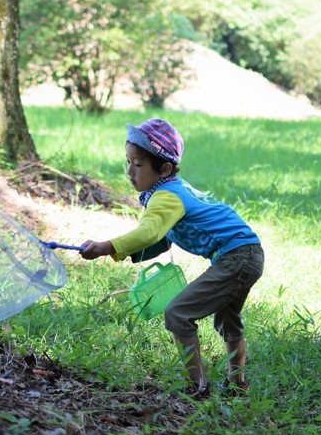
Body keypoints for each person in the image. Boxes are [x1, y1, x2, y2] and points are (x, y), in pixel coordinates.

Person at [79, 118, 265, 398]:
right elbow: (164, 238)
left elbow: (150, 231)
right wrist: (129, 253)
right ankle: (237, 382)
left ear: (164, 168)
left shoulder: (166, 196)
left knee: (179, 312)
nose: (130, 171)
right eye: (127, 162)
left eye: (138, 165)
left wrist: (107, 247)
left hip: (237, 256)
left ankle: (198, 386)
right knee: (227, 318)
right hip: (246, 253)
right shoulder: (175, 189)